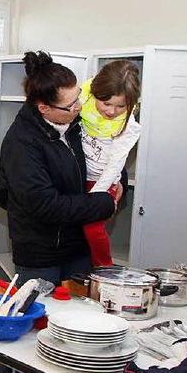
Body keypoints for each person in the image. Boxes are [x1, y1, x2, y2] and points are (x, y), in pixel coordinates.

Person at [0, 51, 118, 373]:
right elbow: (45, 205)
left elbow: (90, 170)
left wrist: (111, 180)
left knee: (69, 335)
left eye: (79, 99)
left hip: (75, 250)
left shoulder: (72, 127)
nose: (79, 108)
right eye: (69, 105)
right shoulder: (21, 142)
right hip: (38, 252)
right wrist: (102, 204)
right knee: (23, 337)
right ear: (43, 107)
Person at [80, 60, 141, 266]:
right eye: (106, 103)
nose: (112, 111)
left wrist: (96, 196)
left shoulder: (128, 127)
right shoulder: (82, 101)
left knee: (92, 227)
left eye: (120, 106)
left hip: (101, 182)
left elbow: (116, 165)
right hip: (78, 176)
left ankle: (104, 268)